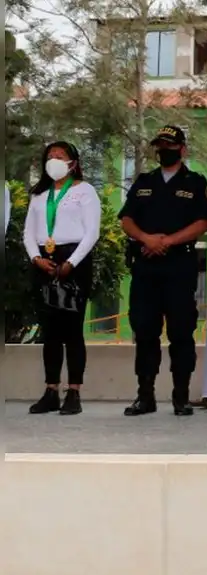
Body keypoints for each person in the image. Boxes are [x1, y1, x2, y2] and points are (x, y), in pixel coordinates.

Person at [118, 125, 207, 416]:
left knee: (181, 332)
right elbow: (126, 219)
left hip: (179, 267)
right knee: (144, 331)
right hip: (146, 266)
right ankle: (144, 396)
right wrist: (147, 239)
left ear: (182, 149)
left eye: (170, 145)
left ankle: (180, 397)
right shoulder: (144, 181)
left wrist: (167, 241)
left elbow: (202, 223)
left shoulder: (195, 183)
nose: (164, 150)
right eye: (160, 145)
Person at [23, 141, 101, 415]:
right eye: (50, 156)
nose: (54, 160)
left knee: (72, 330)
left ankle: (74, 392)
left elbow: (92, 232)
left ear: (73, 163)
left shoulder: (85, 191)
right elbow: (28, 233)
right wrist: (36, 258)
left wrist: (71, 262)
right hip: (44, 260)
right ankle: (51, 390)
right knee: (50, 331)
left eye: (60, 156)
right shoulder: (39, 195)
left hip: (74, 260)